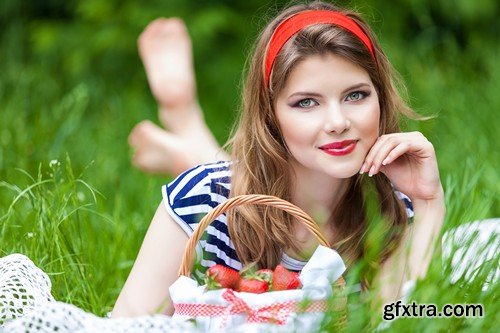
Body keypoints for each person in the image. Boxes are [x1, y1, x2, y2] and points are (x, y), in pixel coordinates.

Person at [113, 0, 446, 318]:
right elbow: (126, 324)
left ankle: (185, 129)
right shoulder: (202, 198)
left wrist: (428, 201)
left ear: (381, 100)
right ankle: (184, 120)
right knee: (228, 182)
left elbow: (401, 322)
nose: (338, 122)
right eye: (306, 102)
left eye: (356, 95)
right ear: (270, 116)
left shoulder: (393, 207)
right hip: (228, 189)